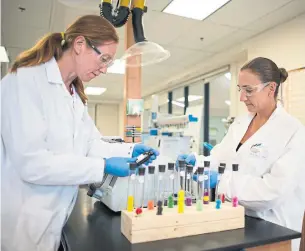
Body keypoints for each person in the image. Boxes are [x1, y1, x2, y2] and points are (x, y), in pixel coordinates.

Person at [1, 15, 159, 251]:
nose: (104, 69)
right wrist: (102, 166)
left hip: (55, 219)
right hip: (22, 224)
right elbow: (32, 163)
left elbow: (91, 143)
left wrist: (129, 149)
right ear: (79, 45)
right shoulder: (23, 82)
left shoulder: (74, 95)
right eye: (103, 59)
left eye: (109, 63)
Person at [178, 57, 305, 250]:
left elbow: (272, 192)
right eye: (240, 89)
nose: (242, 97)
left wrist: (220, 182)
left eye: (249, 90)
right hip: (234, 224)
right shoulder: (240, 123)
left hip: (272, 233)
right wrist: (196, 162)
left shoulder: (293, 131)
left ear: (271, 88)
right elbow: (219, 158)